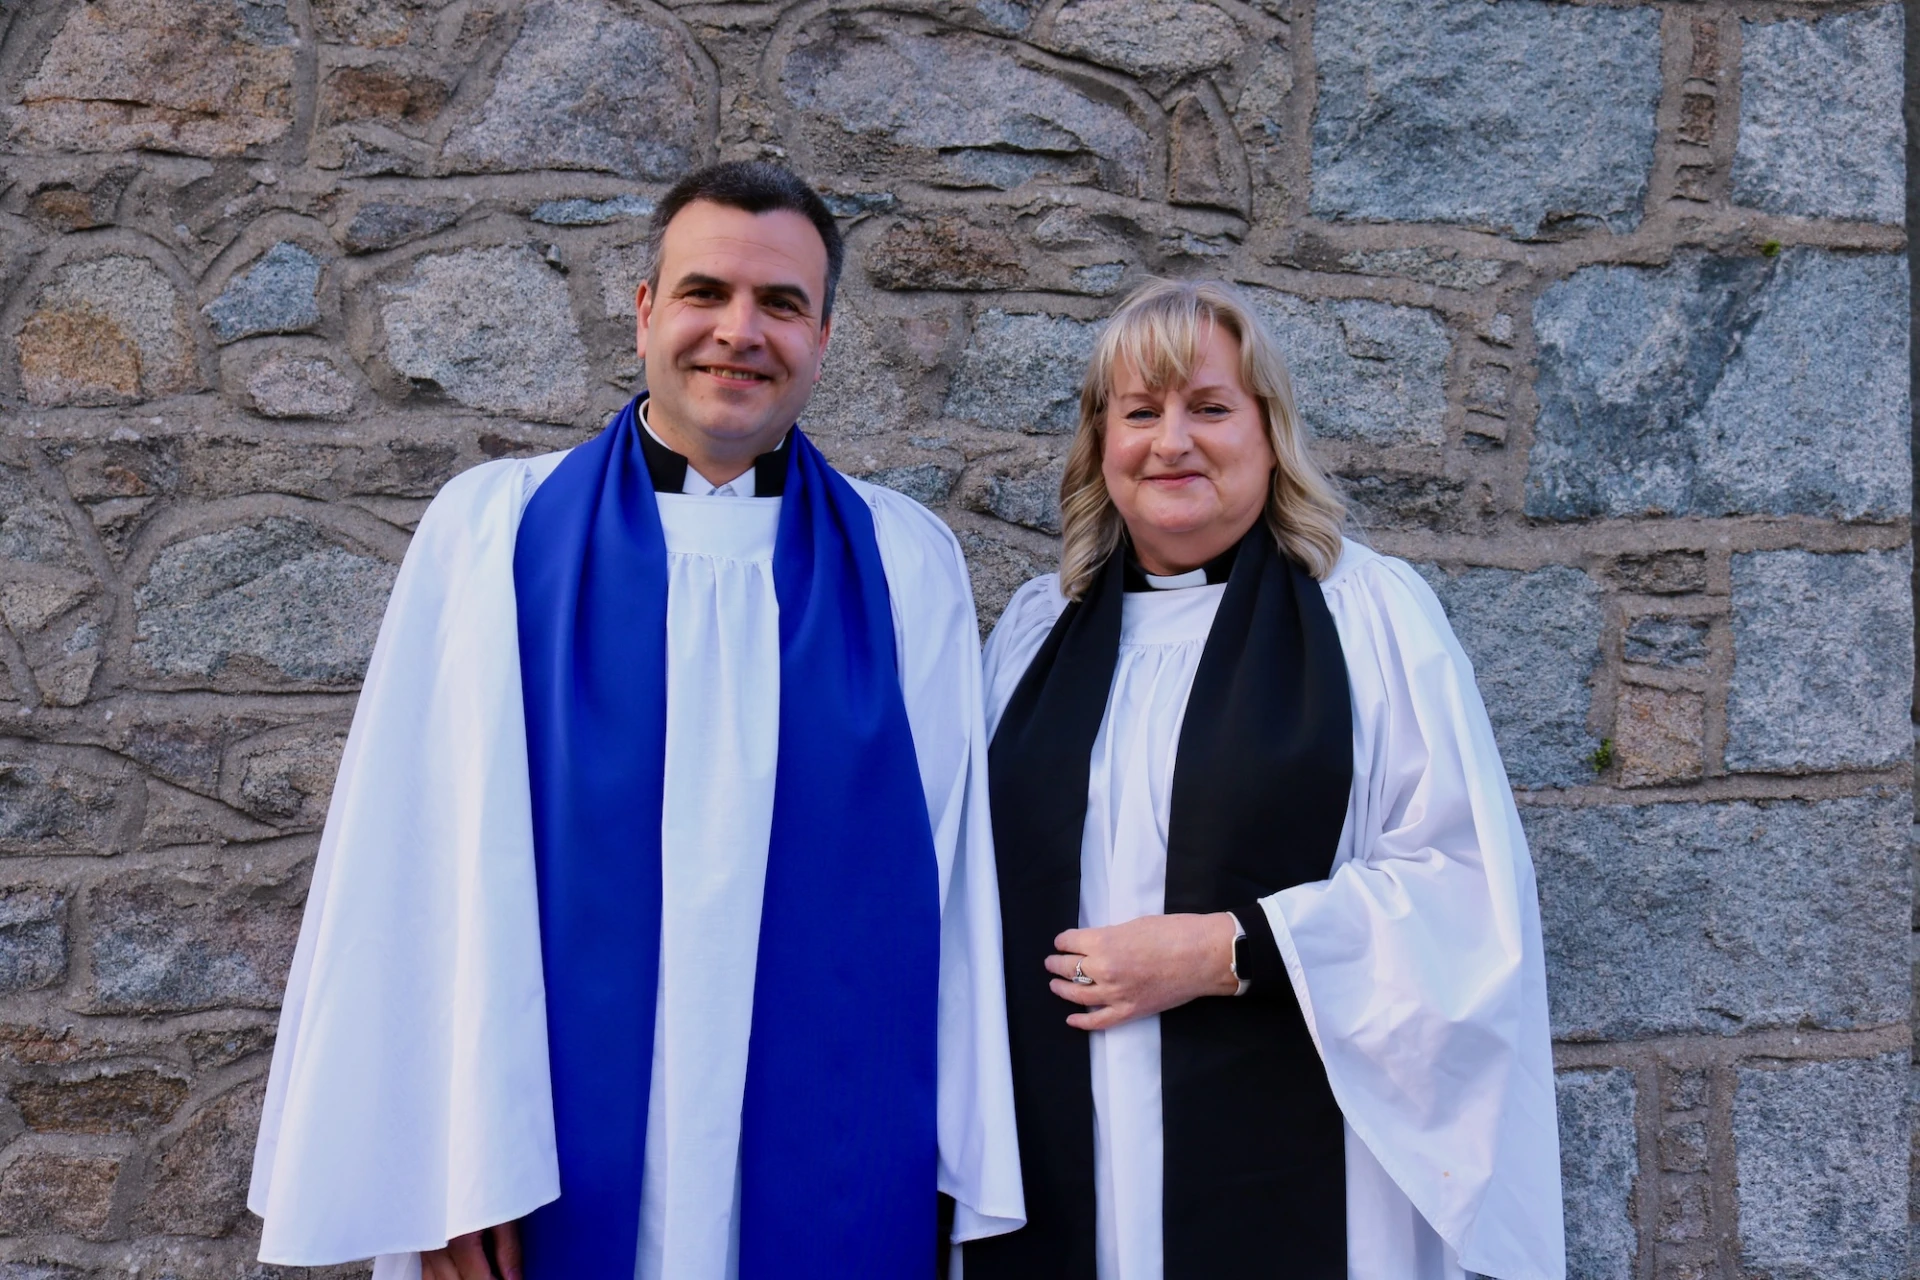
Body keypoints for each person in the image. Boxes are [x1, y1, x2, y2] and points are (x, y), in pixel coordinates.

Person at [247, 161, 1024, 1280]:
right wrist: (445, 1171)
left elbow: (950, 885)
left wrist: (953, 1167)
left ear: (825, 333)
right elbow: (411, 870)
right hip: (541, 1166)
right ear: (647, 309)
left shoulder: (905, 563)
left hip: (836, 1145)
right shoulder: (495, 536)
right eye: (705, 292)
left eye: (782, 303)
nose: (739, 332)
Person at [967, 279, 1562, 1280]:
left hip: (1306, 1159)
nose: (1172, 442)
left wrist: (1230, 947)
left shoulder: (1365, 612)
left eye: (1209, 407)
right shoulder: (1037, 630)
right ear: (1099, 441)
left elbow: (1464, 891)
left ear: (1269, 428)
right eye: (1141, 412)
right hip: (1062, 1149)